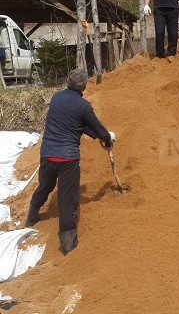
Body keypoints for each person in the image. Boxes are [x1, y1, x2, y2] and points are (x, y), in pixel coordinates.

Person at [24, 69, 115, 255]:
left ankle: (31, 217)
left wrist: (98, 137)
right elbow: (96, 127)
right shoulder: (83, 106)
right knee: (67, 200)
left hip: (47, 153)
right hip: (68, 159)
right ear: (85, 86)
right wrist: (107, 138)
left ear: (67, 82)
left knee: (45, 186)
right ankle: (68, 245)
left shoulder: (56, 98)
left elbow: (77, 125)